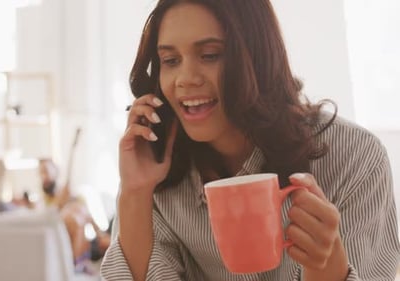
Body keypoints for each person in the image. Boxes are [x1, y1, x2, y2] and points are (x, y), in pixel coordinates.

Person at [100, 1, 400, 281]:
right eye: (170, 60)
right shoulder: (155, 171)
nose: (185, 78)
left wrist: (328, 268)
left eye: (210, 55)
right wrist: (134, 195)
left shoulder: (354, 157)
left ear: (259, 55)